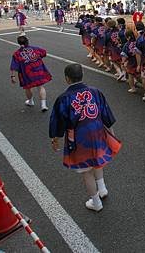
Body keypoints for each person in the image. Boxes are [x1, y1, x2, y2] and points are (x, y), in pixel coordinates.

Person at [49, 64, 121, 212]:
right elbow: (106, 114)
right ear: (83, 74)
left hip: (79, 138)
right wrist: (112, 134)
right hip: (97, 131)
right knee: (97, 159)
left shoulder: (64, 98)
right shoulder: (95, 92)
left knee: (86, 170)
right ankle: (102, 188)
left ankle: (96, 203)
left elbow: (58, 120)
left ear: (67, 79)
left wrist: (55, 137)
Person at [10, 35, 52, 111]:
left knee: (28, 88)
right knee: (40, 87)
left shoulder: (17, 54)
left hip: (27, 74)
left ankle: (30, 101)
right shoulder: (35, 49)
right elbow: (44, 53)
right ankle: (43, 105)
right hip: (38, 70)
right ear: (27, 41)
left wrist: (13, 76)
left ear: (19, 43)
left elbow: (14, 66)